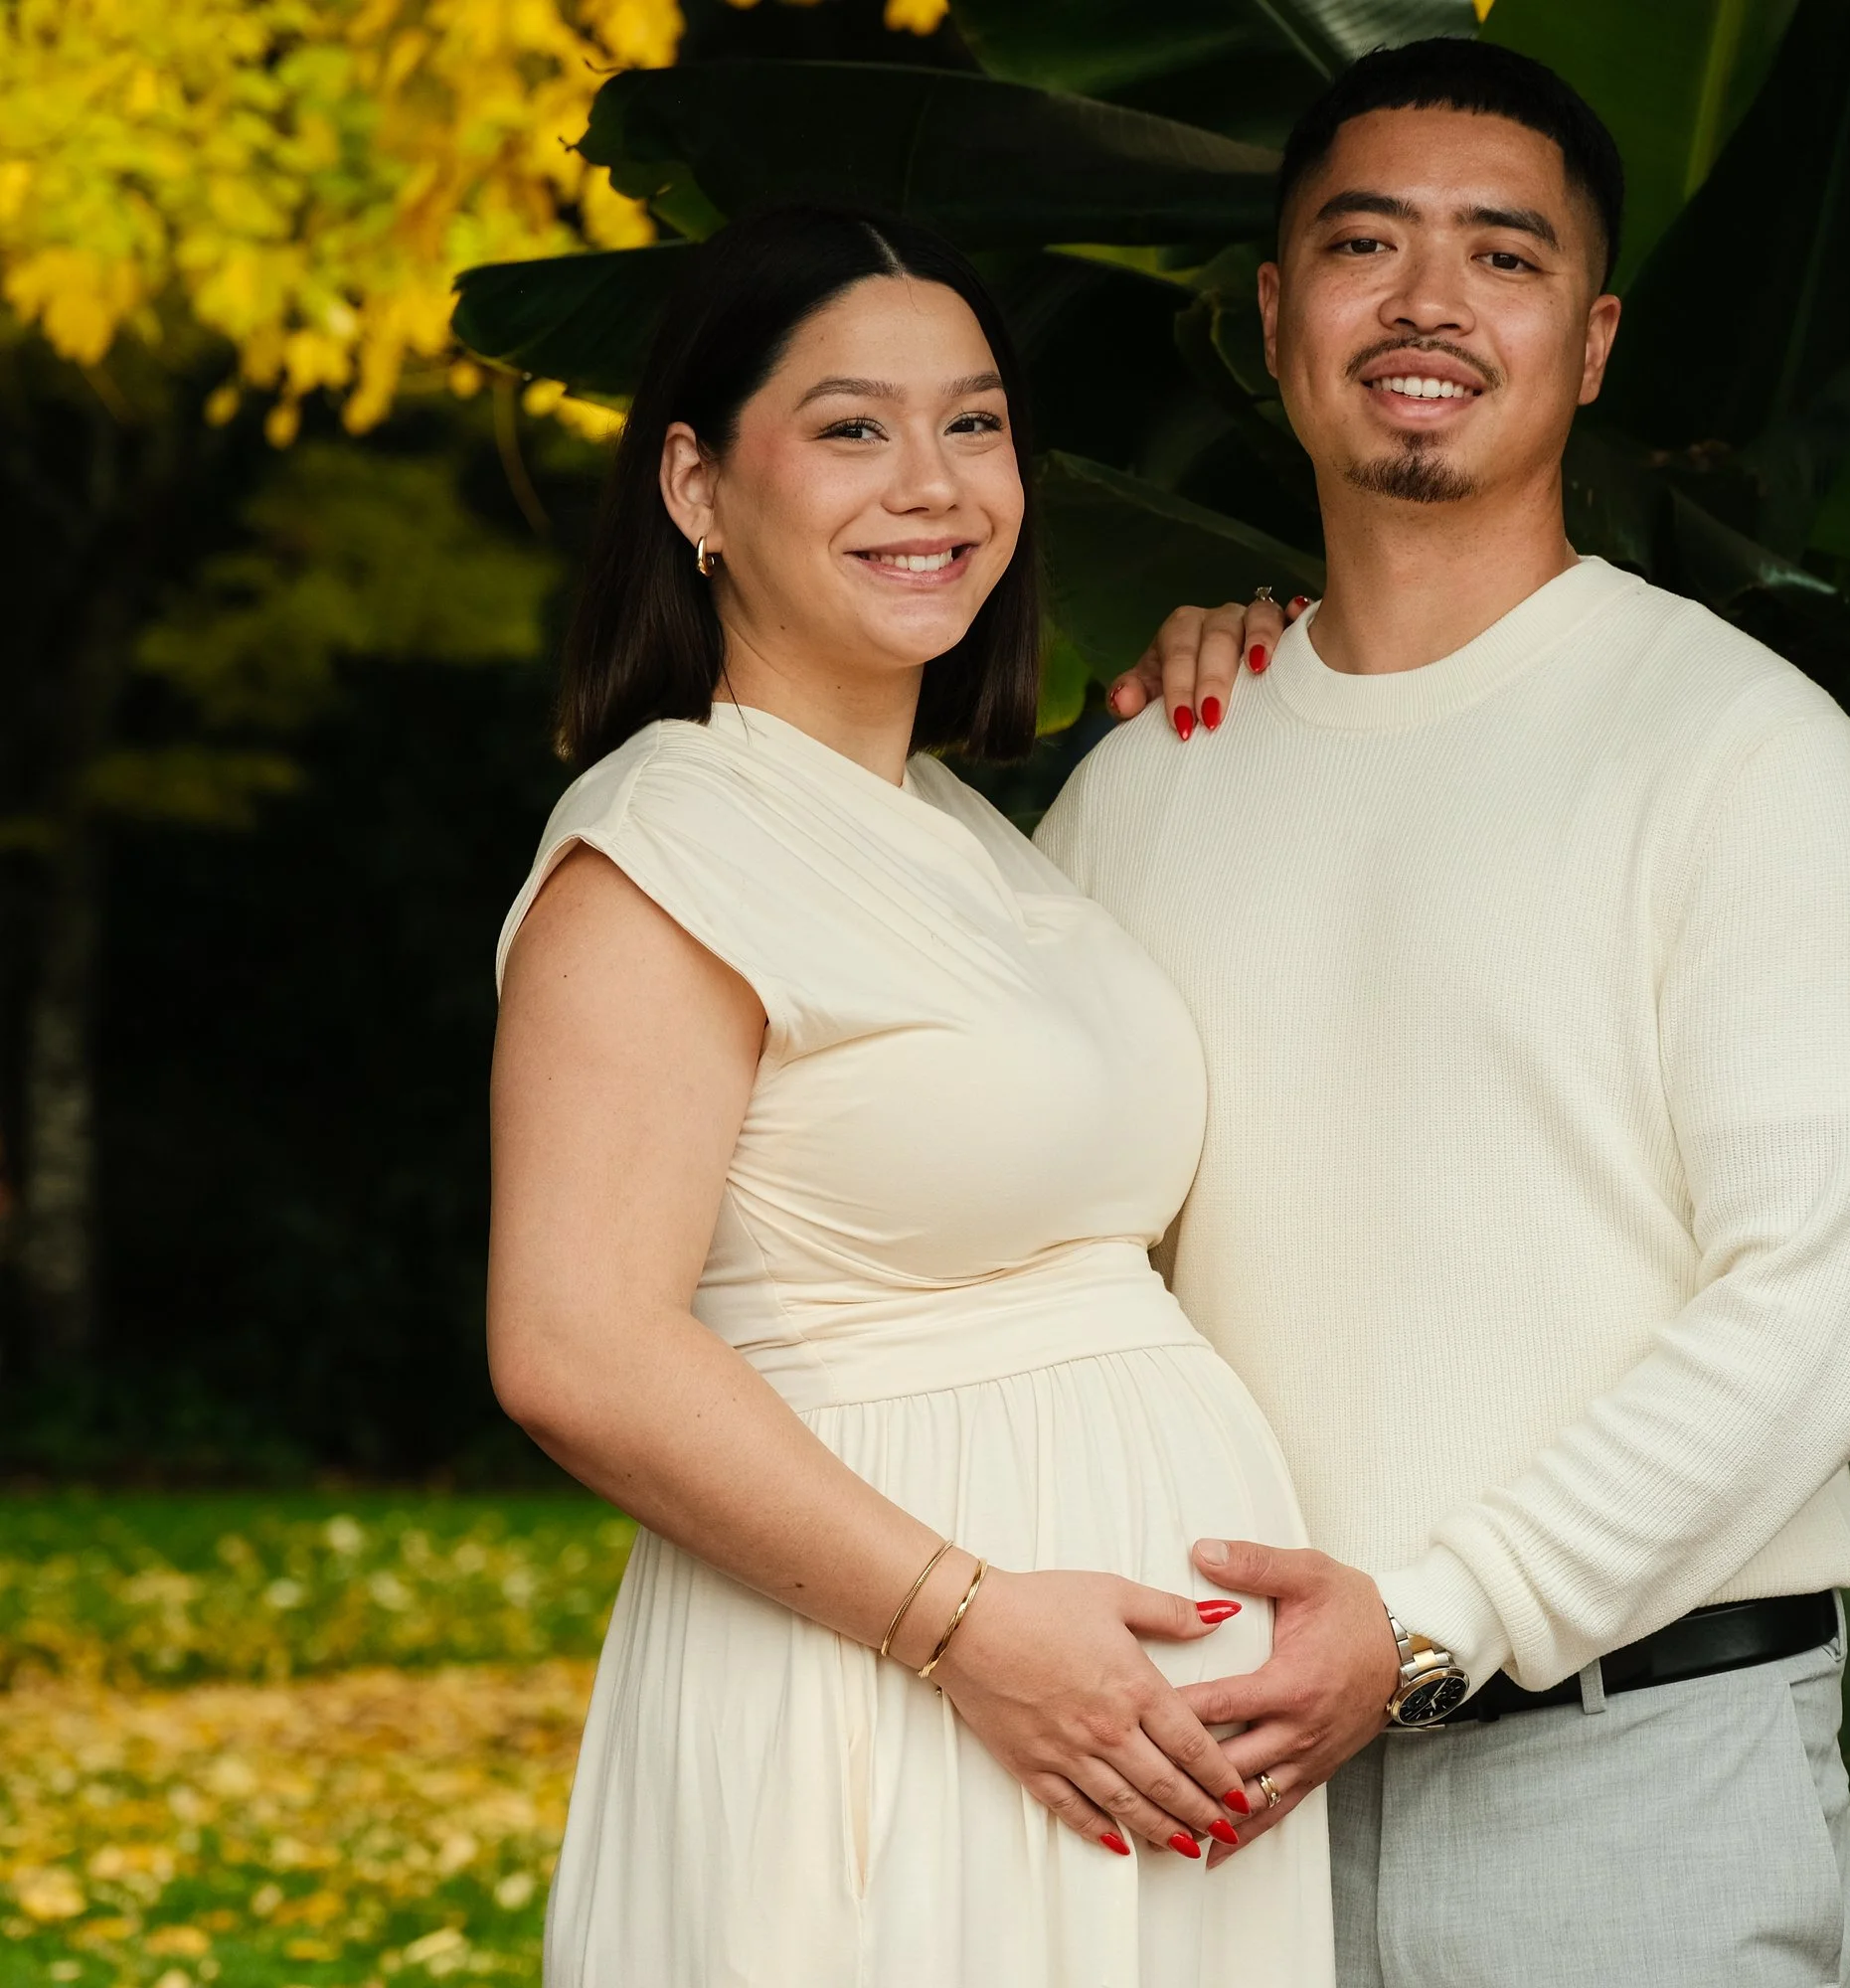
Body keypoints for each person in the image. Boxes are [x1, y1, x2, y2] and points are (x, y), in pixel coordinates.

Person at [1036, 40, 1850, 1987]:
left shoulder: (1737, 753)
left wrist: (1436, 1613)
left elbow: (1820, 1310)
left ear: (1591, 337)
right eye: (1364, 246)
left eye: (1501, 257)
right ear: (1277, 317)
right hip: (1210, 1795)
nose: (1428, 303)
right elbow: (1040, 1268)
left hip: (1627, 1795)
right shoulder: (1143, 780)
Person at [485, 204, 1332, 1988]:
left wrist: (1252, 673)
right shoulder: (664, 849)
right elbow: (573, 1347)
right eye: (853, 427)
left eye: (976, 424)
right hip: (888, 1698)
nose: (932, 482)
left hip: (1119, 1747)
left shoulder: (975, 836)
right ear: (699, 488)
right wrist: (969, 1631)